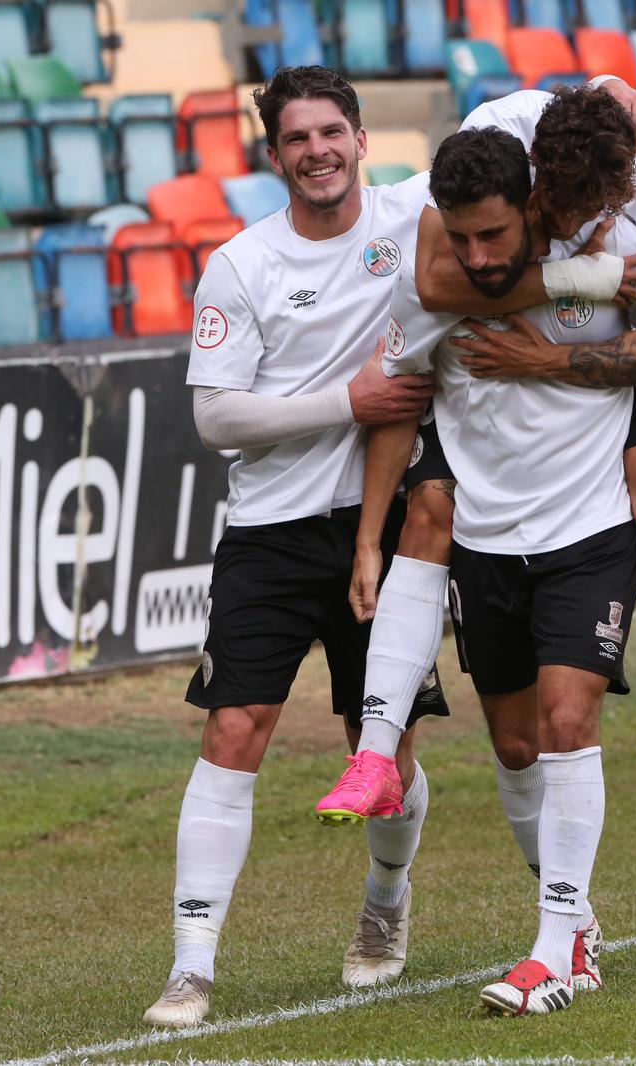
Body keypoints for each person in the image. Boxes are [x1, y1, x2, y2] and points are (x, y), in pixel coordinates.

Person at [315, 84, 636, 843]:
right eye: (545, 206)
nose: (558, 225)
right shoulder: (489, 152)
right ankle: (379, 754)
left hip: (595, 438)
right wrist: (591, 276)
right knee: (513, 738)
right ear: (529, 173)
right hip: (494, 480)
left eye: (577, 219)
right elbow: (434, 284)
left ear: (618, 198)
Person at [366, 118, 636, 1017]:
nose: (478, 255)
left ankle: (552, 951)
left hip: (589, 529)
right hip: (492, 535)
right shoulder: (465, 238)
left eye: (494, 236)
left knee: (566, 719)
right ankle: (577, 925)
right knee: (515, 746)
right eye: (466, 236)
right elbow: (430, 299)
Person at [139, 65, 449, 1029]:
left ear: (361, 139)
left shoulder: (412, 215)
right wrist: (344, 404)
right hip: (270, 538)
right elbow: (217, 419)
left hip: (389, 529)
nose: (317, 151)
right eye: (296, 139)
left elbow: (513, 135)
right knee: (235, 733)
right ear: (274, 155)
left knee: (383, 750)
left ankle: (383, 909)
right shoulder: (241, 265)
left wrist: (617, 89)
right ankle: (192, 967)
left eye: (331, 133)